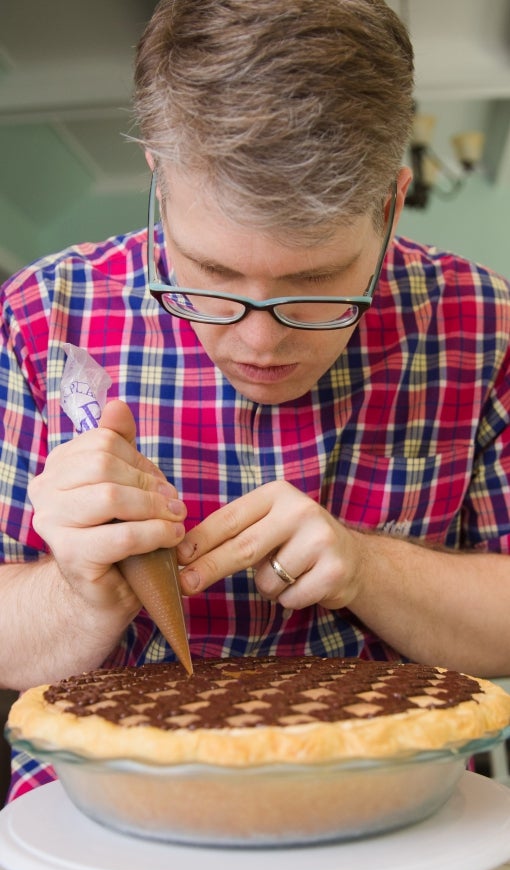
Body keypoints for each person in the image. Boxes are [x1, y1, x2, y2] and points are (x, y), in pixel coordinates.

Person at [1, 0, 509, 802]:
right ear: (160, 184)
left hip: (393, 814)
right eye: (209, 275)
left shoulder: (482, 323)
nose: (259, 343)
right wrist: (78, 589)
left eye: (313, 285)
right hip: (96, 820)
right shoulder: (43, 314)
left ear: (391, 202)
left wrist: (369, 568)